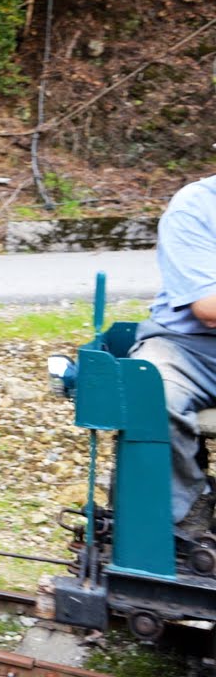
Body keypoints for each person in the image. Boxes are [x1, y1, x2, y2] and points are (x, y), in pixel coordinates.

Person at [129, 174, 216, 537]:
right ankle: (186, 509)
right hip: (188, 347)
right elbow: (208, 309)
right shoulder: (195, 207)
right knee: (153, 391)